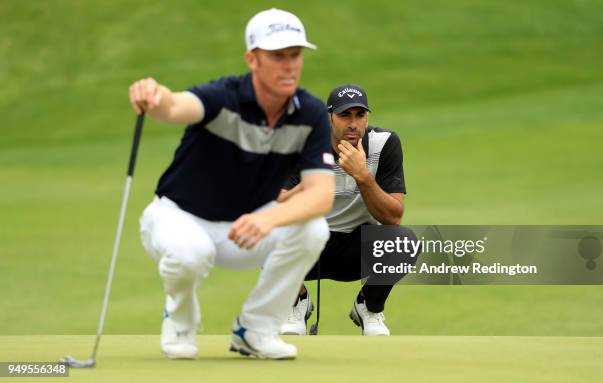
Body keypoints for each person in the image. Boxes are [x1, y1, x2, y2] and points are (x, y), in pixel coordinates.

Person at [129, 8, 335, 360]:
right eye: (277, 56)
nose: (289, 65)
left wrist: (269, 219)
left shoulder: (311, 114)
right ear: (252, 59)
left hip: (245, 228)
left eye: (295, 55)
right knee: (189, 254)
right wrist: (155, 96)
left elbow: (321, 194)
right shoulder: (222, 97)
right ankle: (179, 320)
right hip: (178, 218)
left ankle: (255, 330)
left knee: (314, 229)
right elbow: (176, 106)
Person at [278, 84, 416, 336]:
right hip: (310, 248)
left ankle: (369, 307)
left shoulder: (384, 143)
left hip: (358, 248)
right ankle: (296, 301)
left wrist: (362, 175)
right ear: (328, 118)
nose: (353, 124)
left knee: (403, 241)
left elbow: (393, 216)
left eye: (360, 115)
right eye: (345, 115)